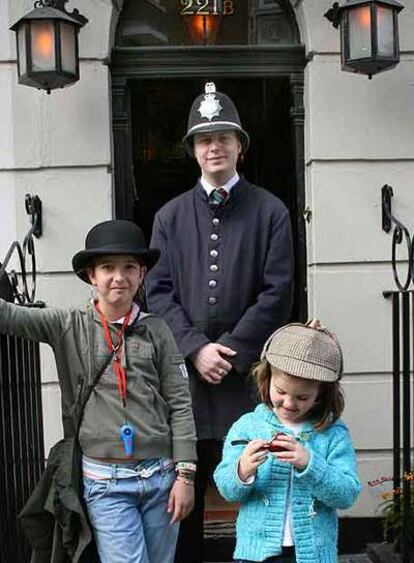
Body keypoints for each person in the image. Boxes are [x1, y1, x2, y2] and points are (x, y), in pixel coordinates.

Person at [146, 81, 294, 562]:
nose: (215, 146)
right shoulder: (168, 216)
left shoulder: (272, 211)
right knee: (183, 494)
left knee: (255, 488)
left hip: (247, 379)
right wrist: (195, 348)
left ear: (240, 148)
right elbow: (158, 291)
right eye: (205, 140)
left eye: (224, 137)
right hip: (186, 380)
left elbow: (278, 293)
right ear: (193, 150)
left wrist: (227, 351)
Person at [0, 219, 197, 563]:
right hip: (106, 484)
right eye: (107, 267)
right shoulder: (67, 325)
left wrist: (186, 475)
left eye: (129, 268)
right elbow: (9, 316)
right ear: (92, 276)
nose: (118, 277)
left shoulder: (157, 330)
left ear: (142, 274)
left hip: (161, 478)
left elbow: (180, 403)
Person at [213, 321, 362, 563]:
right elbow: (227, 489)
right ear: (266, 378)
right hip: (255, 553)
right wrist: (243, 469)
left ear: (321, 394)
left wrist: (309, 465)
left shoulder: (333, 433)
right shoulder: (248, 426)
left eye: (303, 397)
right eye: (281, 392)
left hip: (312, 555)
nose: (289, 403)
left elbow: (346, 495)